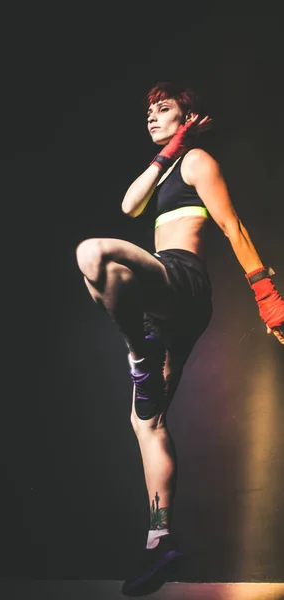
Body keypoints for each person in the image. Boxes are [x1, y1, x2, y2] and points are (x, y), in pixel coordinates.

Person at [75, 80, 284, 597]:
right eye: (148, 111)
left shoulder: (196, 163)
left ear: (188, 118)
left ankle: (135, 355)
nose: (151, 117)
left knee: (93, 255)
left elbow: (232, 226)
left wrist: (265, 293)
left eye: (163, 110)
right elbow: (130, 206)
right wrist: (168, 147)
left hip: (180, 281)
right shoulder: (170, 163)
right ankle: (161, 540)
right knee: (146, 420)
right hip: (164, 303)